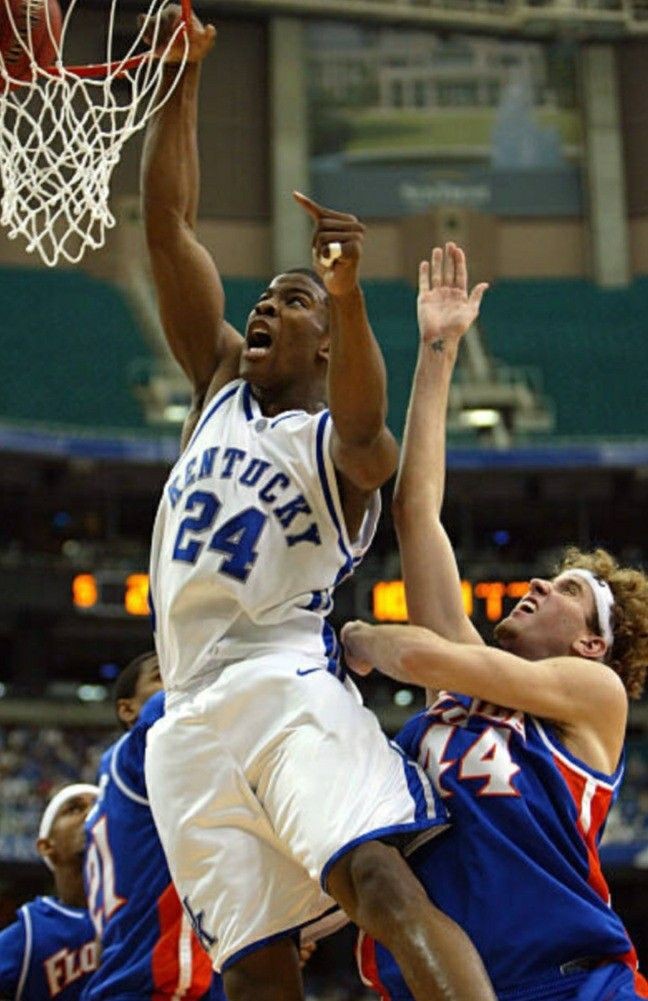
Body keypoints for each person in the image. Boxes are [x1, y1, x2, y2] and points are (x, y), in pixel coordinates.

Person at [140, 13, 496, 1001]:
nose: (264, 306)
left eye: (289, 302)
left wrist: (345, 291)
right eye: (265, 296)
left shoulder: (339, 448)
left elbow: (374, 424)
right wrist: (182, 79)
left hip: (281, 679)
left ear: (329, 342)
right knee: (254, 966)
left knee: (378, 878)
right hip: (186, 713)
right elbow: (167, 226)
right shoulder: (215, 380)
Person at [341, 243, 648, 1001]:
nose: (541, 580)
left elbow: (436, 661)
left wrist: (368, 639)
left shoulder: (592, 695)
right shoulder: (464, 685)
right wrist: (439, 349)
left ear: (592, 640)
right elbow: (416, 514)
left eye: (570, 588)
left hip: (574, 984)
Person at [82, 651, 225, 1000]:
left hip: (147, 977)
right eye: (163, 675)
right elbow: (168, 707)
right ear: (127, 709)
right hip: (152, 984)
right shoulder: (131, 758)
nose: (177, 680)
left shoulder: (121, 797)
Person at [0, 784, 99, 1001]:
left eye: (100, 807)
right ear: (46, 846)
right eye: (74, 809)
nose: (92, 814)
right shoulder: (31, 932)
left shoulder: (142, 915)